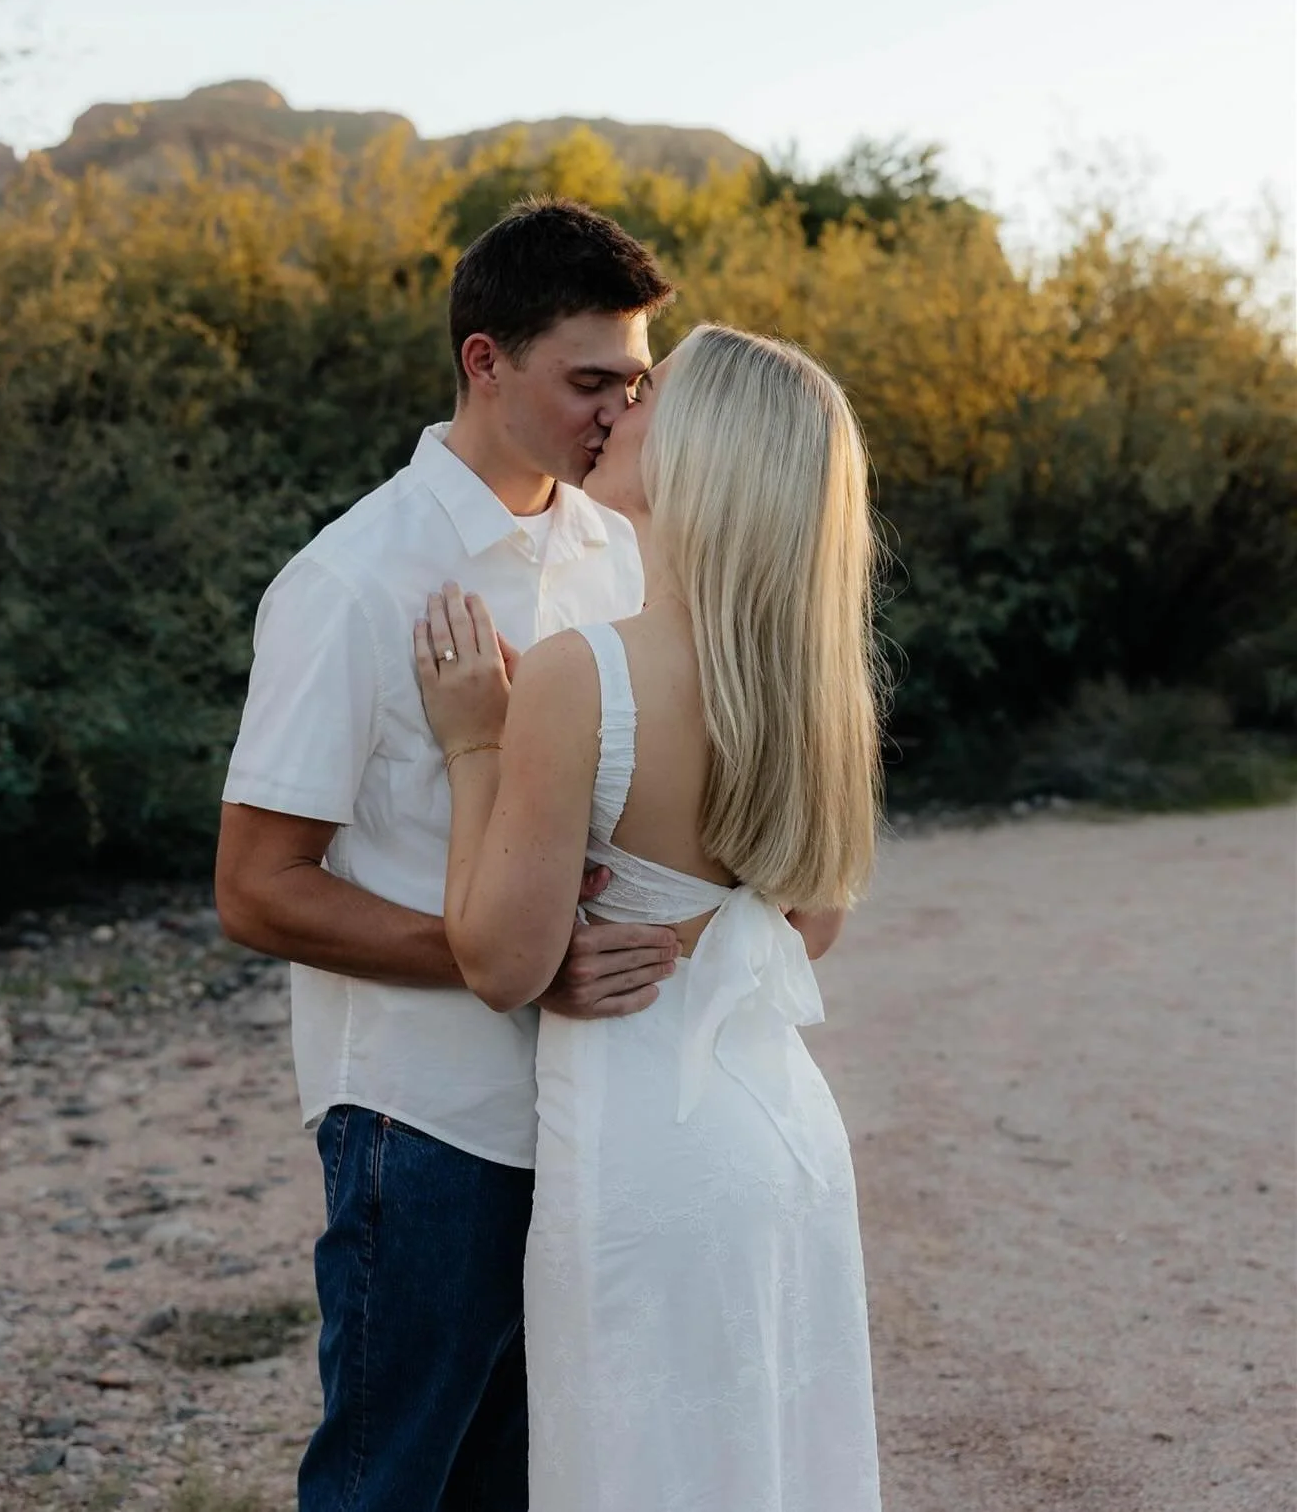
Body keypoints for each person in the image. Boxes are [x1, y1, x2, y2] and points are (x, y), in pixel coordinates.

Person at [213, 198, 681, 1512]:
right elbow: (256, 886)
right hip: (422, 1120)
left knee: (528, 1483)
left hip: (598, 1110)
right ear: (486, 360)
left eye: (634, 384)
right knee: (387, 1485)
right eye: (588, 380)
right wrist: (510, 961)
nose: (617, 413)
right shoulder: (353, 581)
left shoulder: (623, 554)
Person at [415, 323, 884, 1511]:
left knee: (640, 1469)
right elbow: (806, 926)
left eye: (651, 395)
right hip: (781, 1137)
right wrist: (687, 930)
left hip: (645, 1146)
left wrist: (475, 736)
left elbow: (502, 958)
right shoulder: (815, 686)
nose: (620, 407)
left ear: (706, 456)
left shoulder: (583, 673)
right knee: (769, 1461)